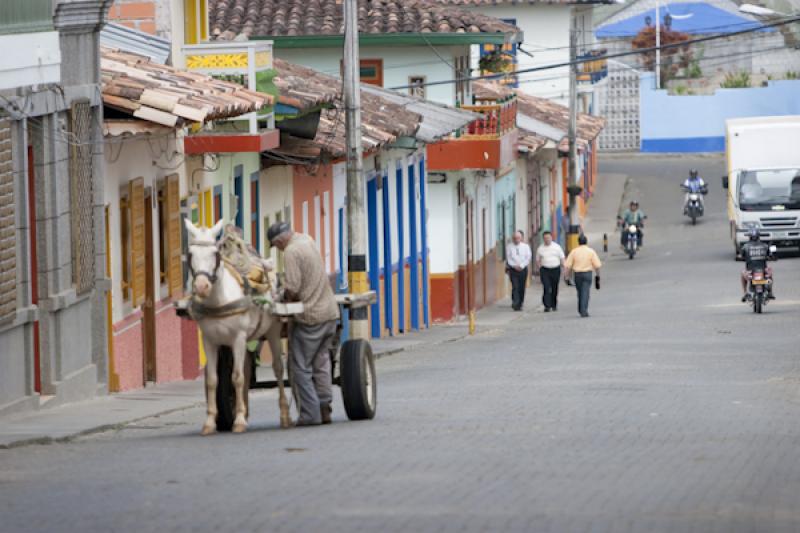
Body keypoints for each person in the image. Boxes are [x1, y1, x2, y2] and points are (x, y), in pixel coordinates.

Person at [268, 222, 340, 426]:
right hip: (329, 313)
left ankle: (310, 414)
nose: (279, 249)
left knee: (300, 368)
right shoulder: (307, 240)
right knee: (322, 362)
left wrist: (281, 297)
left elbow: (292, 286)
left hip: (311, 316)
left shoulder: (291, 251)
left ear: (280, 240)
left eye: (277, 246)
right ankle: (325, 408)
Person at [564, 234, 602, 318]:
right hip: (587, 273)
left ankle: (581, 308)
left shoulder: (574, 251)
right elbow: (597, 265)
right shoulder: (591, 251)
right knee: (585, 292)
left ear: (578, 242)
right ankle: (583, 310)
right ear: (586, 242)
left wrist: (566, 276)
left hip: (577, 275)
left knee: (580, 292)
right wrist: (598, 276)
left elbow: (567, 266)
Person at [740, 227, 775, 302]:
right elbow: (771, 255)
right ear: (759, 236)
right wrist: (772, 257)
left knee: (742, 274)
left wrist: (740, 258)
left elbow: (741, 256)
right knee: (770, 273)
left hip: (750, 271)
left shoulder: (745, 246)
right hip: (763, 270)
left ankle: (745, 293)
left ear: (749, 237)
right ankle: (770, 292)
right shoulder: (765, 246)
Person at [535, 231, 565, 312]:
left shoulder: (557, 247)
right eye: (545, 238)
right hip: (545, 270)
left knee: (554, 288)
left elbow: (562, 258)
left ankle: (554, 304)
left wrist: (563, 268)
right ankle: (547, 305)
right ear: (543, 239)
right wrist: (539, 268)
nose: (547, 239)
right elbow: (537, 260)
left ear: (551, 238)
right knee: (546, 287)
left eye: (548, 238)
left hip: (555, 269)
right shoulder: (540, 248)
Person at [506, 230, 532, 311]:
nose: (516, 239)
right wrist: (514, 266)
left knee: (521, 286)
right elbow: (508, 258)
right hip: (513, 269)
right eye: (515, 238)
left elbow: (528, 257)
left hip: (523, 269)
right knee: (515, 286)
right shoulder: (509, 246)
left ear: (521, 238)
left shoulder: (525, 246)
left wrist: (521, 266)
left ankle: (520, 302)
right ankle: (515, 302)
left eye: (518, 238)